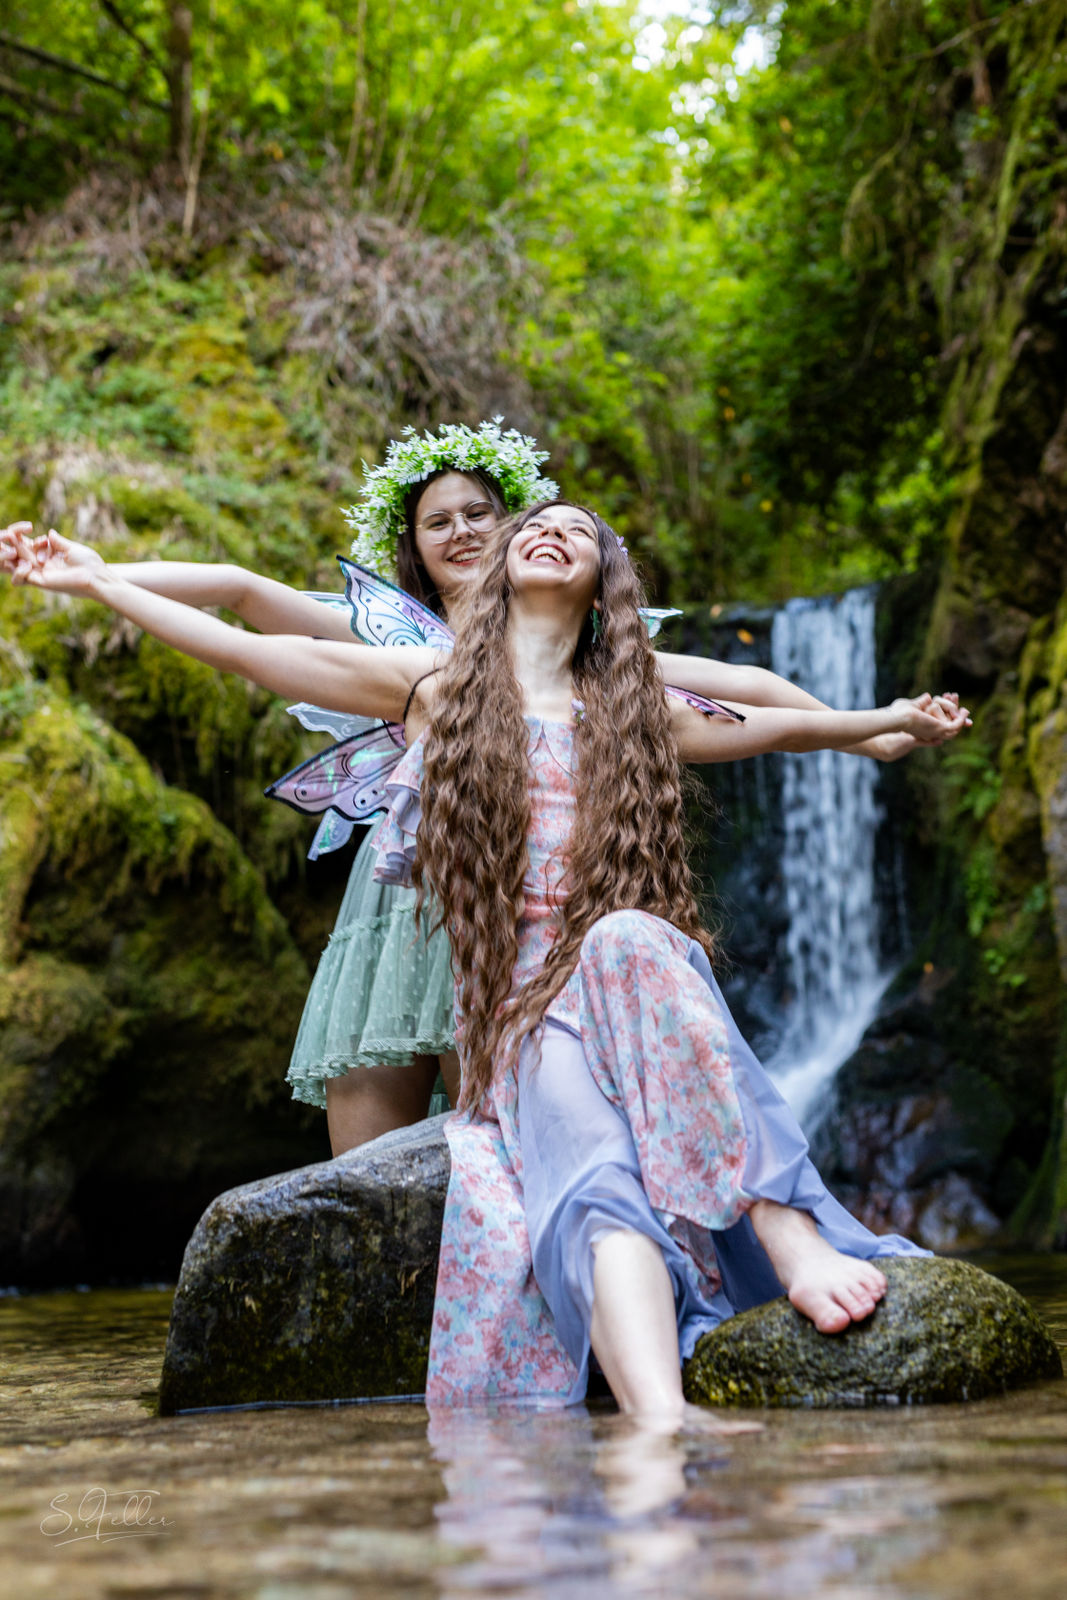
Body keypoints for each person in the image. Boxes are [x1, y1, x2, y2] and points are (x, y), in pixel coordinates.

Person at [5, 497, 966, 1422]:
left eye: (574, 534)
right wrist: (101, 586)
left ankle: (788, 1239)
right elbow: (260, 650)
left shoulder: (632, 711)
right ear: (504, 569)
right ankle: (661, 1420)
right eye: (536, 526)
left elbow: (778, 722)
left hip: (634, 986)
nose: (548, 532)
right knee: (593, 1184)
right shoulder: (435, 689)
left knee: (629, 934)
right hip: (519, 1018)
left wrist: (883, 725)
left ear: (604, 588)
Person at [1, 447, 963, 1159]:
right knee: (376, 1119)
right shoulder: (403, 654)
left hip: (525, 904)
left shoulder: (593, 656)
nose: (462, 532)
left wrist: (868, 728)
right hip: (408, 888)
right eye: (437, 522)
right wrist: (100, 579)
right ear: (412, 550)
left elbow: (747, 698)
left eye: (479, 514)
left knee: (499, 1125)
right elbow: (246, 611)